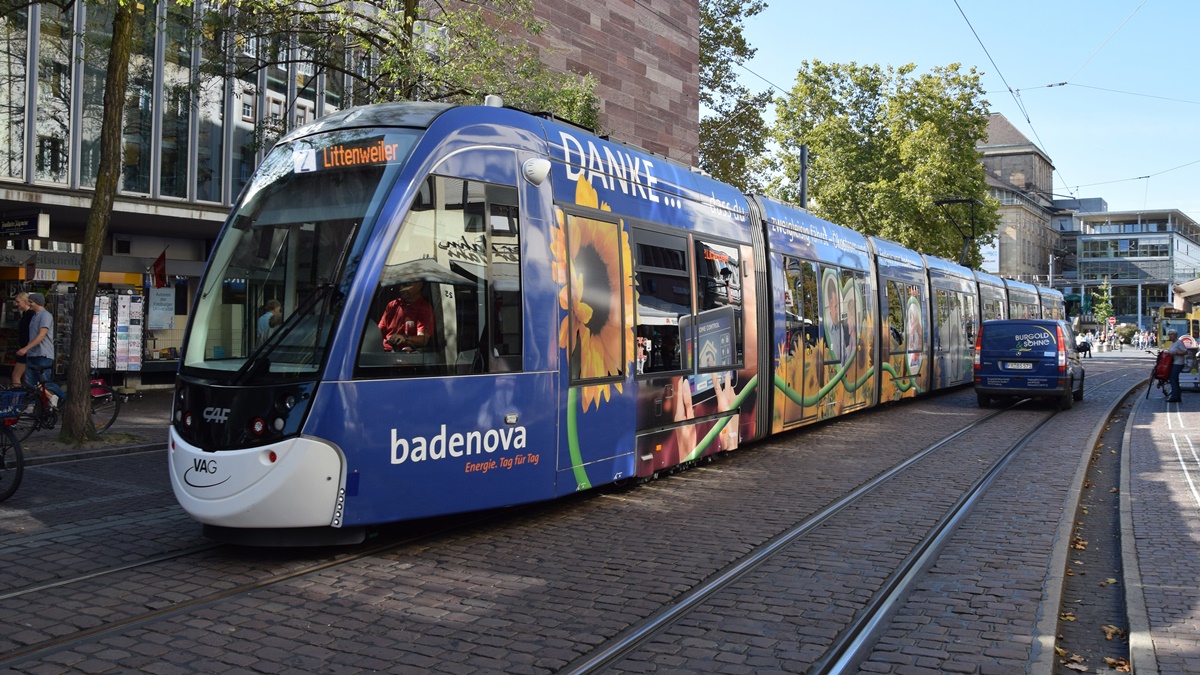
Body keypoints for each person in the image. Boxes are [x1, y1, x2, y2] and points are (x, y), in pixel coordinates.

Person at [15, 293, 67, 407]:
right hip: (32, 354)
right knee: (31, 383)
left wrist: (26, 348)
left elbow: (41, 335)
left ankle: (65, 399)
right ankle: (35, 407)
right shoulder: (34, 316)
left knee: (46, 382)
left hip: (43, 354)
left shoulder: (45, 316)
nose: (29, 304)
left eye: (31, 302)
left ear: (37, 302)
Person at [378, 280, 434, 352]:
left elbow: (423, 339)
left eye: (406, 284)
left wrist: (405, 338)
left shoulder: (424, 308)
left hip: (405, 355)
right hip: (383, 351)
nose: (401, 288)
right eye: (400, 284)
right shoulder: (393, 305)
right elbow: (379, 332)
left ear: (419, 285)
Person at [10, 292, 34, 386]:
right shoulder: (25, 314)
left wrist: (26, 348)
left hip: (26, 349)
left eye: (18, 302)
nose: (16, 304)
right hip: (25, 348)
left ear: (25, 302)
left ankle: (16, 399)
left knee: (16, 376)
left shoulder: (30, 315)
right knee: (27, 378)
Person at [1166, 328, 1188, 403]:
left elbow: (1185, 351)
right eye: (1169, 334)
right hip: (1174, 362)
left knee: (1173, 379)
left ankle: (1175, 396)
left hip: (1178, 363)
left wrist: (1176, 353)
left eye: (1171, 334)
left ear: (1175, 335)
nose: (1169, 336)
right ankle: (1177, 395)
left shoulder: (1179, 342)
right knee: (1174, 379)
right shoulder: (1172, 343)